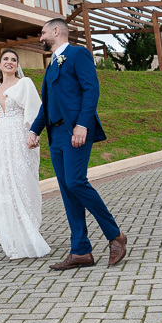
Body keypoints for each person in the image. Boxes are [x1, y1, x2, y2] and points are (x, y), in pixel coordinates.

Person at [27, 18, 128, 270]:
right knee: (67, 190)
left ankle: (115, 235)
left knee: (75, 182)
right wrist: (34, 130)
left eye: (43, 33)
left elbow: (91, 89)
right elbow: (47, 104)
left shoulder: (78, 54)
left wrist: (82, 124)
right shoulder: (51, 65)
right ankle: (81, 251)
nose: (40, 38)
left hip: (75, 131)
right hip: (56, 135)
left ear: (56, 31)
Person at [0, 49, 51, 260]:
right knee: (7, 187)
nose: (10, 62)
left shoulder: (25, 84)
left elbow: (35, 110)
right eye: (6, 59)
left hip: (21, 140)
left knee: (24, 184)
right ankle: (17, 238)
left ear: (17, 65)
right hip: (2, 142)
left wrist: (34, 135)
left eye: (14, 60)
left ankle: (31, 233)